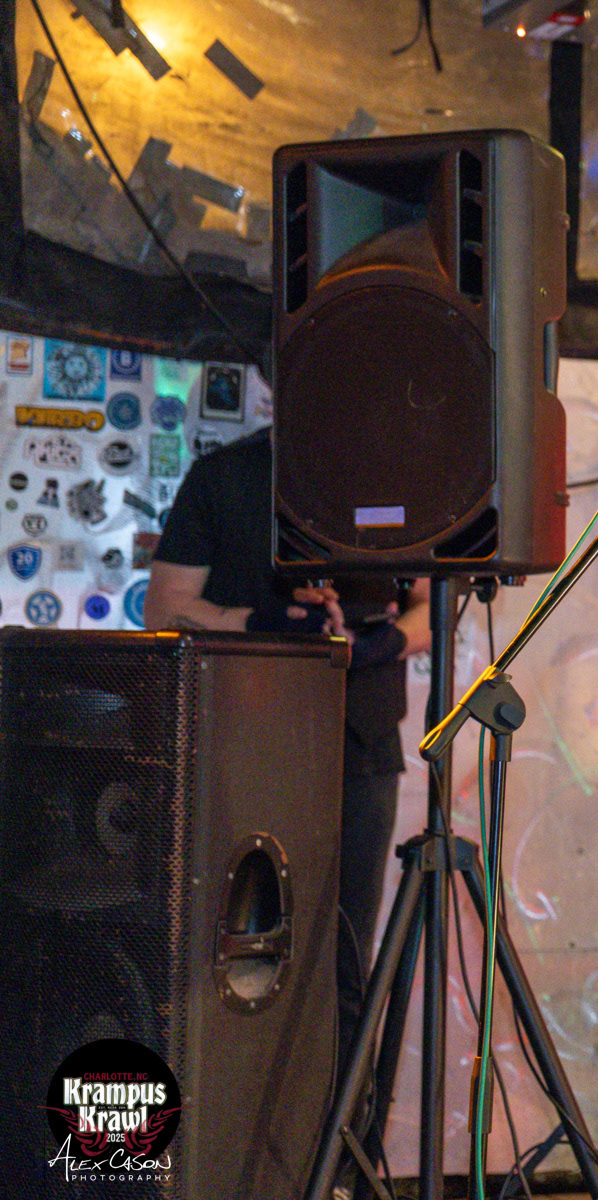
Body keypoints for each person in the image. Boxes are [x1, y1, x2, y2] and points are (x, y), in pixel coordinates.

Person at [144, 425, 430, 1089]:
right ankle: (232, 1128)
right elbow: (164, 608)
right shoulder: (227, 475)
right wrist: (257, 623)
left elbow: (432, 605)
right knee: (231, 952)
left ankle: (344, 1139)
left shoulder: (399, 470)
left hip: (360, 741)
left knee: (346, 959)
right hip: (244, 738)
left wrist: (383, 644)